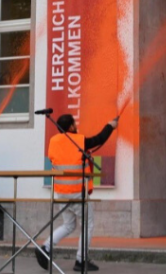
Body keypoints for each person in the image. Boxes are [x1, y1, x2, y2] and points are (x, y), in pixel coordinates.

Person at [35, 114, 118, 272]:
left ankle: (45, 248)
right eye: (74, 123)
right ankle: (81, 260)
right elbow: (99, 139)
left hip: (61, 192)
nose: (76, 126)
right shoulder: (78, 141)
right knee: (87, 224)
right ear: (71, 126)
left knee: (68, 225)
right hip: (77, 192)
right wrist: (110, 126)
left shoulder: (53, 141)